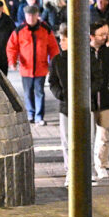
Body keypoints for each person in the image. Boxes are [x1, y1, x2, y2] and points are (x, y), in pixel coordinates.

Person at [7, 4, 61, 126]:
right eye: (28, 15)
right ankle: (30, 114)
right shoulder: (19, 31)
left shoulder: (45, 30)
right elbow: (12, 47)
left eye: (33, 15)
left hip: (41, 68)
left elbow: (53, 48)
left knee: (39, 92)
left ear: (37, 15)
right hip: (26, 68)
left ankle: (39, 116)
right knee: (28, 93)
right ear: (25, 16)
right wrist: (12, 61)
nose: (31, 18)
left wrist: (54, 64)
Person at [89, 19, 109, 181]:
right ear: (91, 36)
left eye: (106, 34)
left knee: (104, 135)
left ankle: (101, 165)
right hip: (87, 101)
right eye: (101, 34)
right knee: (87, 135)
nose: (104, 37)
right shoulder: (83, 53)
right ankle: (87, 167)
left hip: (106, 100)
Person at [47, 24, 70, 186]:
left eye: (63, 40)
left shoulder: (86, 58)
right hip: (65, 106)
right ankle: (70, 171)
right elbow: (52, 82)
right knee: (67, 140)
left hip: (85, 105)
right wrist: (60, 94)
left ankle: (87, 171)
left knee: (87, 140)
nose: (60, 43)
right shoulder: (57, 61)